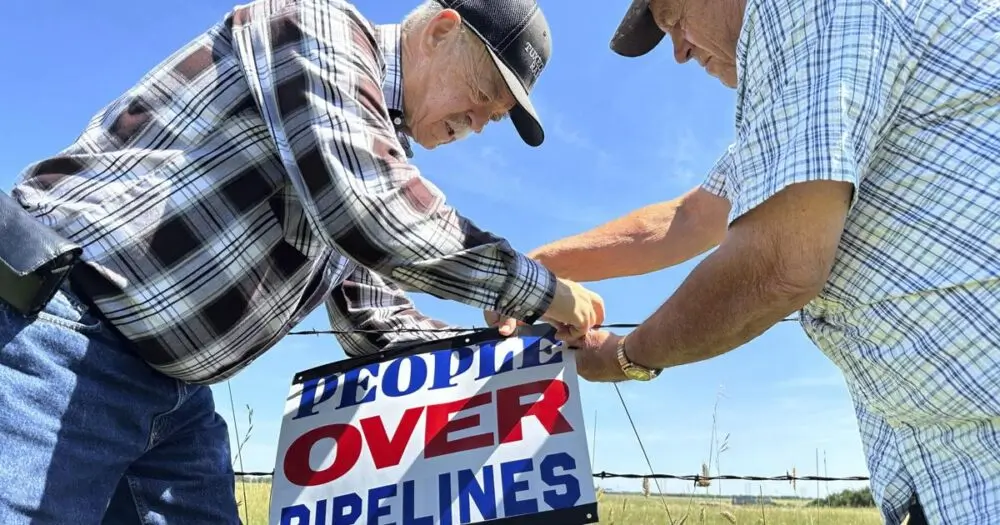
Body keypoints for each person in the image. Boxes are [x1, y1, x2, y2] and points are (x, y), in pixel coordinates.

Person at [0, 0, 605, 522]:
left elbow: (379, 323)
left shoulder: (361, 151)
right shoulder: (319, 30)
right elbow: (373, 212)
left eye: (491, 120)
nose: (475, 126)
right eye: (480, 97)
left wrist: (516, 358)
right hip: (63, 338)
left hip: (176, 402)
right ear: (440, 31)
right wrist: (543, 291)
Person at [492, 0, 1000, 522]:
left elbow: (781, 261)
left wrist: (626, 356)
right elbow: (687, 219)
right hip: (946, 464)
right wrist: (532, 270)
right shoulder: (796, 103)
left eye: (675, 19)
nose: (680, 52)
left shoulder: (805, 9)